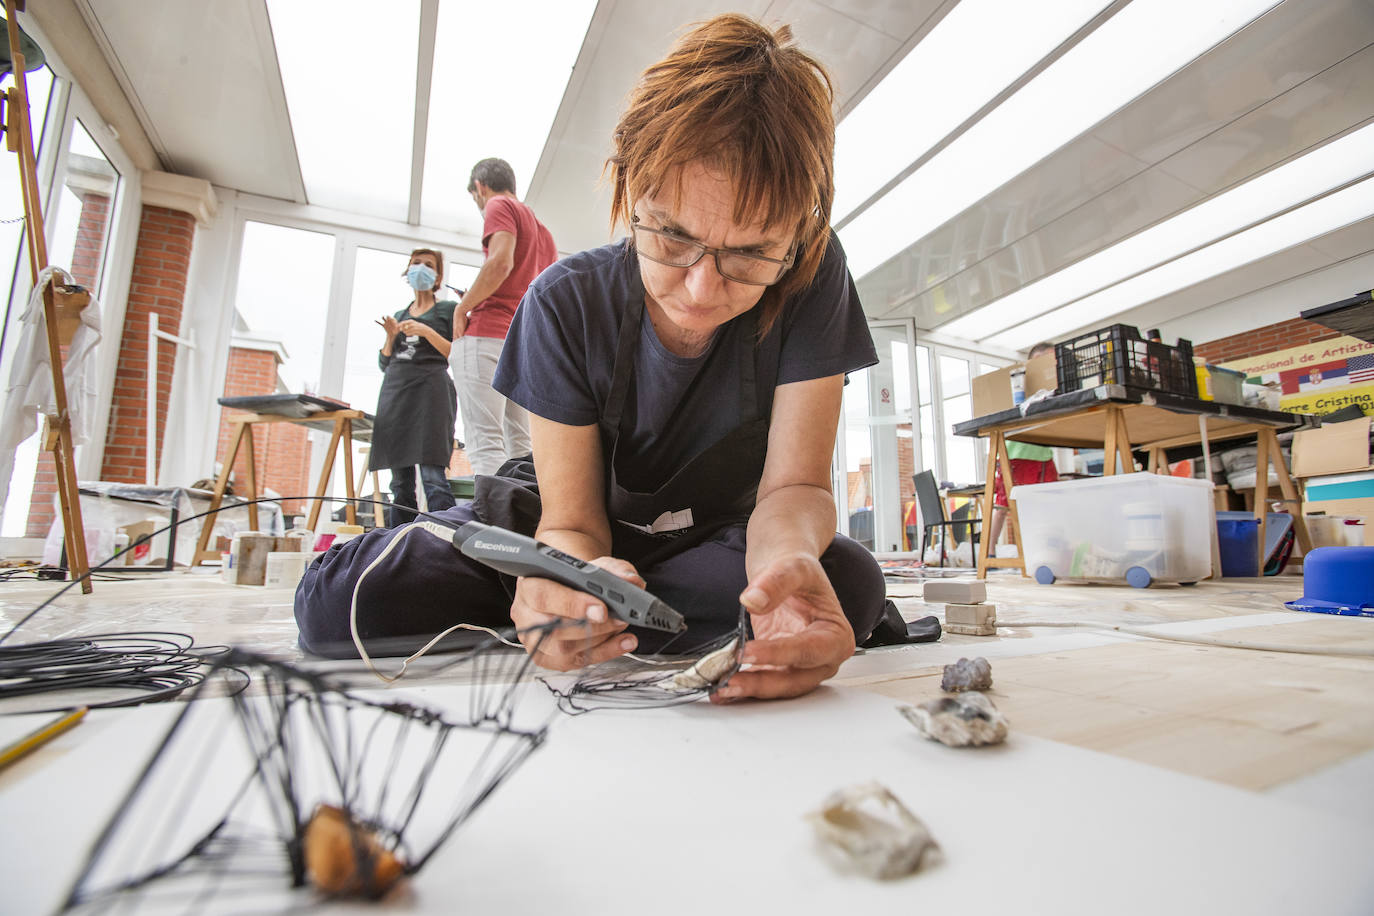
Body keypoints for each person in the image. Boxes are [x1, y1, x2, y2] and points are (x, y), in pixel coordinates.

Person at [296, 14, 887, 703]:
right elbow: (571, 522)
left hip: (713, 536)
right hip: (553, 522)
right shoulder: (563, 301)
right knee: (341, 607)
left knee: (846, 584)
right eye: (670, 236)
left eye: (752, 253)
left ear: (798, 234)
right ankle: (545, 602)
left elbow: (793, 491)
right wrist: (561, 576)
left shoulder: (812, 274)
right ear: (629, 188)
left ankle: (560, 612)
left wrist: (782, 566)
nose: (701, 289)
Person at [451, 158, 558, 476]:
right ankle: (518, 522)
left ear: (480, 188)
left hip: (486, 336)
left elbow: (499, 263)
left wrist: (462, 306)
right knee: (521, 446)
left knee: (485, 441)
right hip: (520, 345)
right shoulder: (543, 231)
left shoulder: (498, 205)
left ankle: (490, 523)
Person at [370, 249, 459, 529]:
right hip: (396, 397)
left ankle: (445, 543)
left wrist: (426, 331)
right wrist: (390, 335)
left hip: (431, 395)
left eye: (428, 265)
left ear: (438, 277)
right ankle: (399, 545)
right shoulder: (399, 315)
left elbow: (455, 353)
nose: (421, 268)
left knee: (433, 477)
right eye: (416, 264)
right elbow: (385, 362)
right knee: (400, 484)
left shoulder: (448, 310)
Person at [987, 341, 1060, 547]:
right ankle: (990, 551)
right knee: (1004, 504)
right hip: (1016, 452)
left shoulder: (1052, 383)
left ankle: (1045, 547)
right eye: (1048, 358)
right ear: (1035, 359)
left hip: (1042, 453)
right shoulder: (1019, 380)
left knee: (1049, 501)